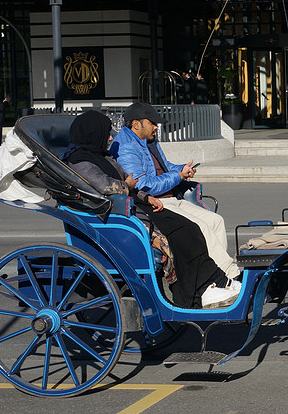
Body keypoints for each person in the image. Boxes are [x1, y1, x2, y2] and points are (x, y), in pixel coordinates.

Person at [65, 111, 240, 308]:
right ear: (92, 134)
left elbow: (133, 183)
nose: (111, 138)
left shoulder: (101, 157)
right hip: (119, 213)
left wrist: (146, 196)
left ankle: (215, 282)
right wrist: (128, 186)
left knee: (190, 228)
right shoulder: (80, 161)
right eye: (106, 134)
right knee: (182, 233)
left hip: (135, 205)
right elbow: (108, 186)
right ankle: (203, 290)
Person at [110, 101, 240, 281]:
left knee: (216, 221)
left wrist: (182, 170)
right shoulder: (127, 148)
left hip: (171, 196)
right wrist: (178, 176)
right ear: (136, 124)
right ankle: (230, 275)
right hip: (156, 202)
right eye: (152, 123)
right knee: (202, 227)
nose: (156, 127)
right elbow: (144, 185)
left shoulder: (149, 140)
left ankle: (218, 274)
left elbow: (165, 166)